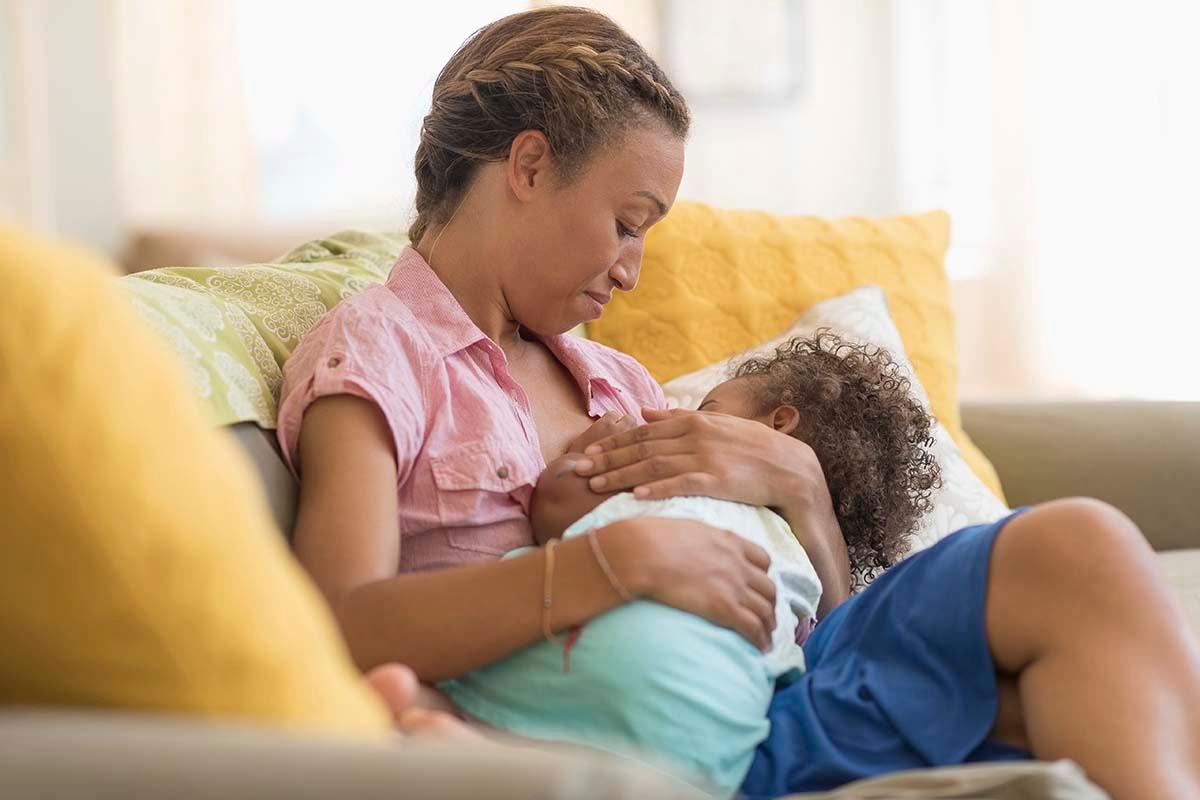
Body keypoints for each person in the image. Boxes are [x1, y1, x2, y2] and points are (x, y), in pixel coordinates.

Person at [278, 7, 1200, 798]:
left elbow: (809, 625)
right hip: (638, 722)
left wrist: (803, 495)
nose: (631, 270)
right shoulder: (379, 355)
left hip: (778, 695)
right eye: (626, 224)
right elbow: (337, 623)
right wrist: (606, 567)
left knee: (1082, 567)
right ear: (527, 165)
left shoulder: (617, 382)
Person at [435, 333, 941, 798]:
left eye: (705, 408)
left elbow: (557, 509)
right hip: (707, 746)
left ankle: (441, 723)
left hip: (592, 674)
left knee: (440, 682)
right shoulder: (802, 566)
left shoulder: (682, 480)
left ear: (779, 424)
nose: (675, 414)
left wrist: (582, 458)